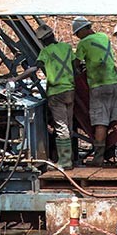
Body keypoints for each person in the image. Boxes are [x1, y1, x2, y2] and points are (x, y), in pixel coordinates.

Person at [72, 16, 117, 167]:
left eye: (77, 33)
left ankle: (98, 158)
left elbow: (76, 65)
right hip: (114, 84)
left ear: (83, 30)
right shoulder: (104, 37)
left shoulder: (83, 44)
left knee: (100, 122)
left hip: (98, 87)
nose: (78, 36)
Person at [17, 24, 77, 169]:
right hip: (70, 90)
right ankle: (72, 158)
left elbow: (34, 68)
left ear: (42, 41)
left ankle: (65, 162)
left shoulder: (46, 51)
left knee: (61, 126)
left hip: (56, 92)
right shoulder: (67, 47)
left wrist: (16, 79)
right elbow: (75, 65)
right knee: (68, 124)